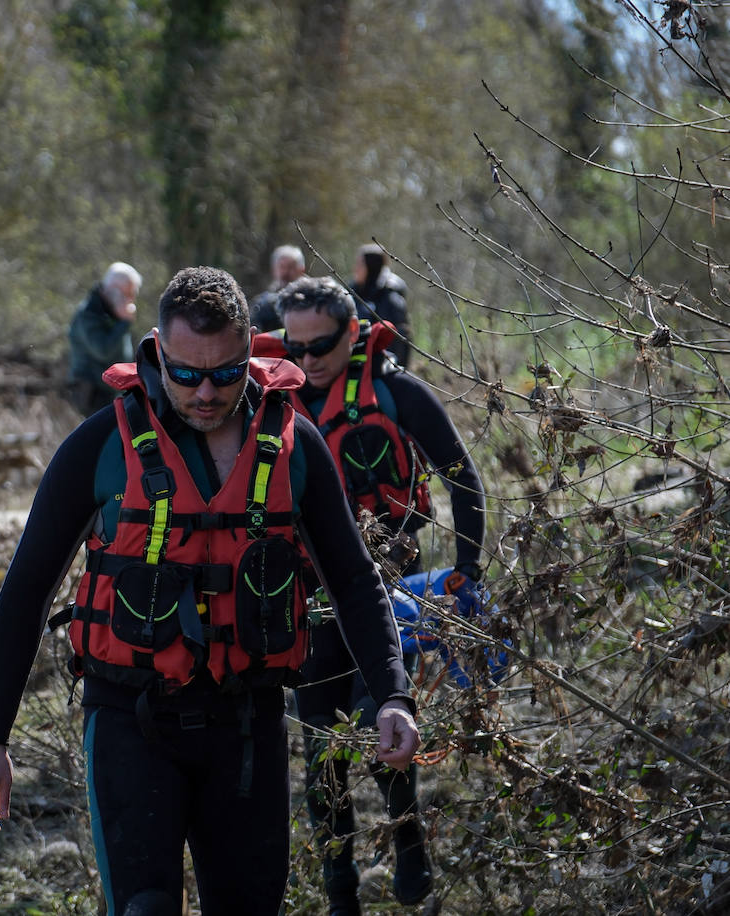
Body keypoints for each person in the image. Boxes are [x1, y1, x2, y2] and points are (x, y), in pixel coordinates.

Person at [0, 266, 421, 916]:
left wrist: (391, 692)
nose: (205, 391)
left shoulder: (294, 446)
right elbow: (26, 592)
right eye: (185, 373)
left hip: (245, 724)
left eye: (224, 372)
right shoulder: (100, 446)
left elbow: (352, 579)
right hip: (130, 719)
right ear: (156, 349)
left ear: (249, 352)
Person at [258, 275, 487, 914]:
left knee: (381, 724)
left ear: (352, 332)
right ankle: (341, 893)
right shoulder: (268, 403)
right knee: (321, 752)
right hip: (307, 597)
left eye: (320, 344)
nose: (306, 360)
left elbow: (462, 477)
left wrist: (467, 567)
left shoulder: (395, 392)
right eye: (293, 346)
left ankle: (409, 848)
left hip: (389, 591)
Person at [67, 262, 143, 416]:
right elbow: (103, 350)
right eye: (128, 295)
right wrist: (124, 323)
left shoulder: (111, 311)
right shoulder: (89, 313)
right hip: (92, 394)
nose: (130, 301)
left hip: (110, 392)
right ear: (114, 290)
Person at [351, 243, 410, 366]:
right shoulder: (353, 293)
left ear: (371, 266)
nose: (355, 269)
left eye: (360, 264)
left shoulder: (391, 299)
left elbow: (400, 341)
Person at [249, 244, 306, 333]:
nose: (285, 272)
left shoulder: (313, 300)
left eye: (291, 267)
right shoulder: (262, 304)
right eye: (282, 267)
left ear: (301, 270)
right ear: (274, 269)